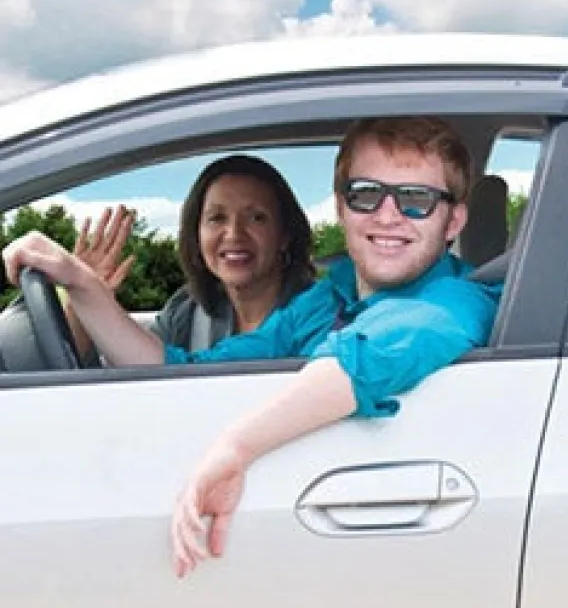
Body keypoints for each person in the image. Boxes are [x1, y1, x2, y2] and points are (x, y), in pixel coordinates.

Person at [2, 116, 501, 577]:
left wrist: (234, 448)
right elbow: (188, 367)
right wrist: (80, 283)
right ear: (341, 206)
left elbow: (357, 362)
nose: (388, 217)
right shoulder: (331, 294)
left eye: (415, 199)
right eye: (366, 194)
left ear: (453, 221)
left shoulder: (454, 302)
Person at [67, 155, 316, 358]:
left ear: (285, 235)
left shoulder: (321, 316)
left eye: (256, 218)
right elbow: (129, 376)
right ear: (196, 235)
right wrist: (83, 298)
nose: (234, 234)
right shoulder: (187, 312)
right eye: (217, 218)